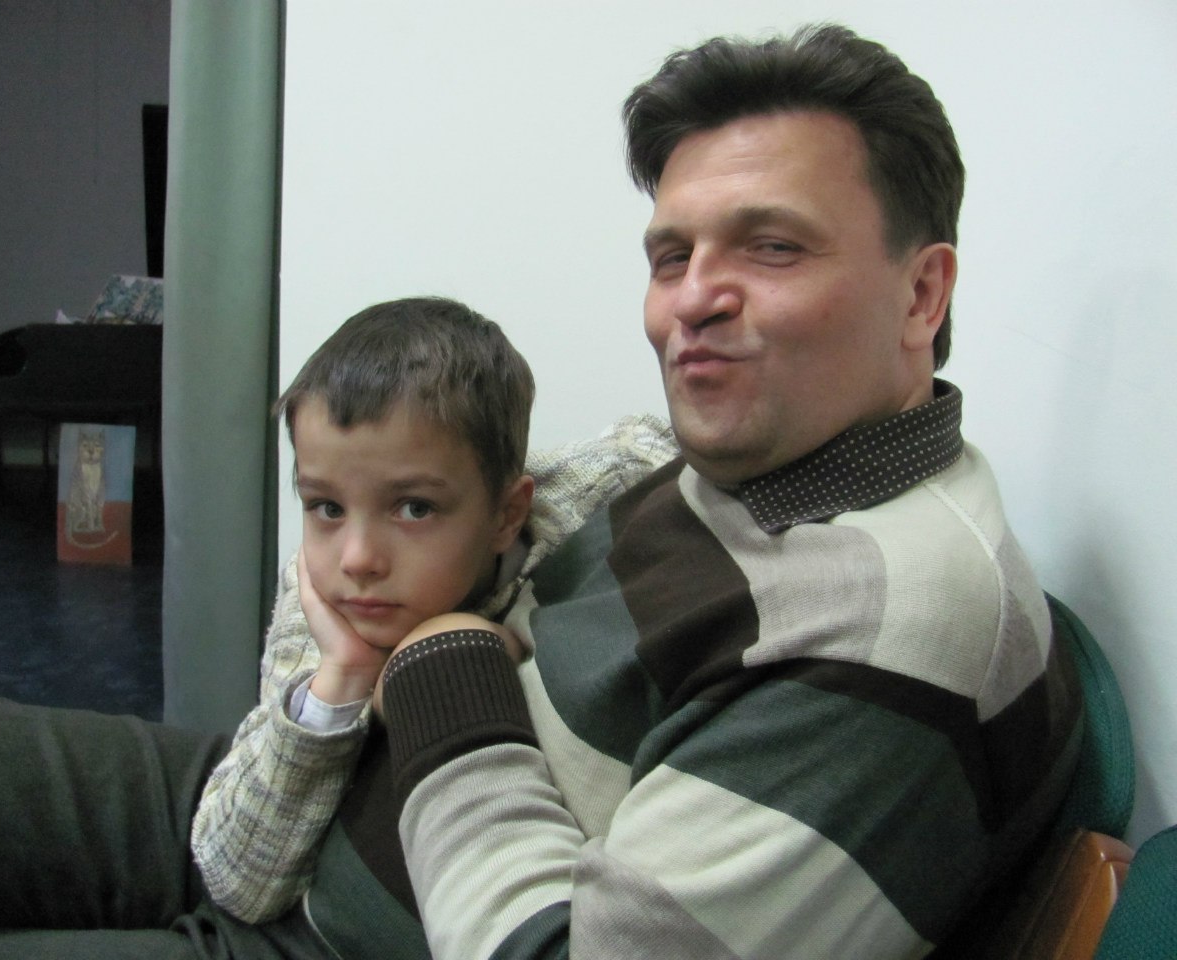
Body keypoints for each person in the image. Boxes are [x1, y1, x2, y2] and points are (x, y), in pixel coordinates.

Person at [361, 23, 1083, 960]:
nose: (691, 301)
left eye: (772, 247)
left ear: (921, 296)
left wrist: (437, 665)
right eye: (671, 258)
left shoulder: (887, 625)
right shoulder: (766, 464)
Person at [0, 296, 675, 958]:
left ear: (507, 514)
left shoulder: (565, 509)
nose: (358, 558)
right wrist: (340, 682)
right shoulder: (321, 611)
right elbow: (240, 880)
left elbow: (653, 445)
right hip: (280, 854)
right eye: (325, 506)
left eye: (413, 507)